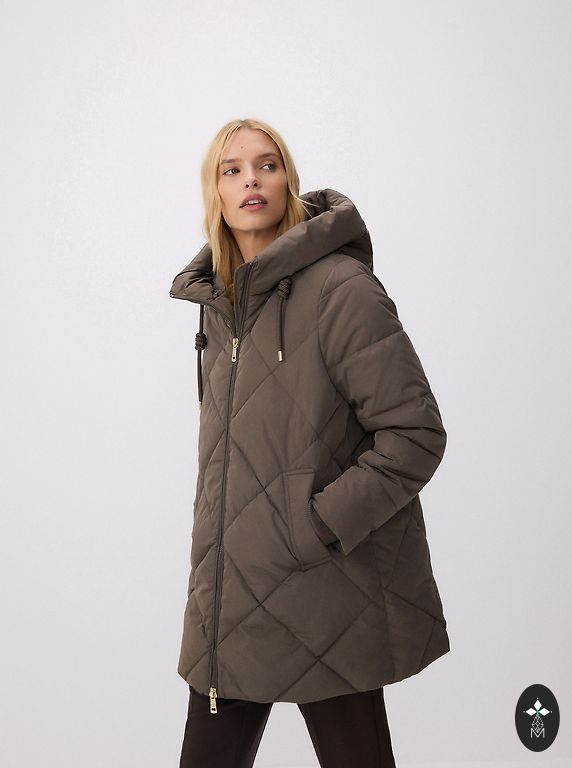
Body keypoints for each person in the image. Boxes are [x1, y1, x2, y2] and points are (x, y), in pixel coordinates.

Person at [169, 118, 450, 767]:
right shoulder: (218, 305)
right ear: (215, 192)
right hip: (231, 603)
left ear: (288, 182)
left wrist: (315, 526)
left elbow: (415, 434)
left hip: (328, 596)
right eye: (232, 170)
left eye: (266, 165)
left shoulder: (340, 290)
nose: (251, 180)